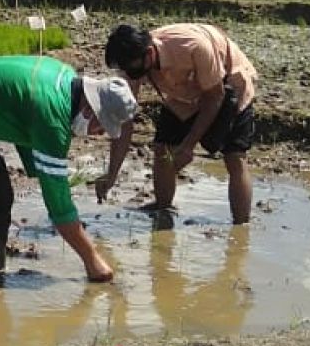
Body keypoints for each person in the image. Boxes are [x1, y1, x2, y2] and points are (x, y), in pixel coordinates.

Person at [0, 55, 136, 281]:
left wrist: (40, 170)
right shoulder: (53, 117)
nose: (99, 134)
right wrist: (92, 260)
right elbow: (59, 206)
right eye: (101, 127)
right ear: (90, 110)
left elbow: (23, 115)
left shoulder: (64, 78)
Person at [97, 23, 259, 224]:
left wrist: (189, 145)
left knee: (234, 156)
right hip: (182, 93)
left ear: (149, 53)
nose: (129, 74)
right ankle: (163, 208)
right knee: (163, 149)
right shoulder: (133, 65)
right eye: (124, 69)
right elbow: (125, 120)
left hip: (226, 85)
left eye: (131, 68)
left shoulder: (194, 46)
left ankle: (241, 226)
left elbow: (215, 96)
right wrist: (112, 174)